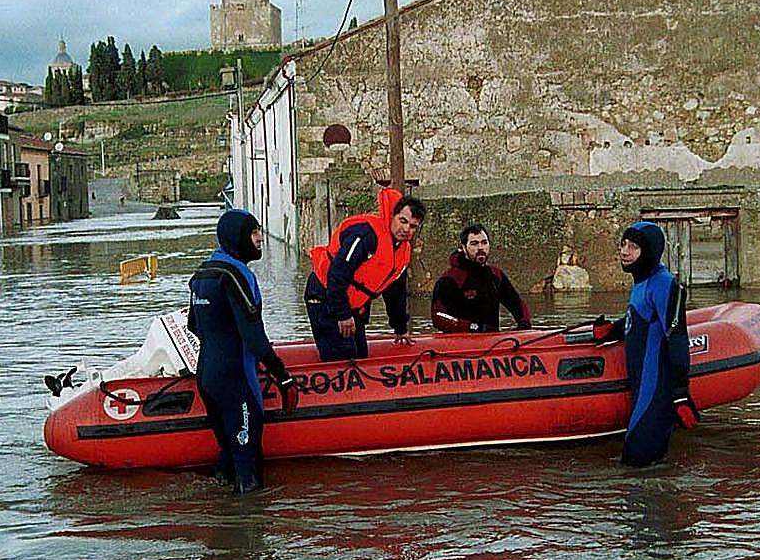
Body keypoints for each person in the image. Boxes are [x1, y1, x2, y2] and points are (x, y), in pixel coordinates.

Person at [188, 209, 298, 494]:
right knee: (248, 464)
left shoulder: (202, 273)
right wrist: (282, 376)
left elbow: (194, 326)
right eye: (254, 233)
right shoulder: (237, 276)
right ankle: (249, 530)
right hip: (235, 378)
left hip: (208, 376)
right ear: (238, 238)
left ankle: (224, 528)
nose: (260, 238)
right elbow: (253, 337)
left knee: (228, 455)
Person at [592, 221, 696, 467]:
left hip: (656, 393)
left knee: (635, 467)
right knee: (648, 469)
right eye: (623, 244)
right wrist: (612, 331)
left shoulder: (664, 284)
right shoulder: (641, 284)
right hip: (643, 390)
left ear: (649, 251)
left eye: (634, 247)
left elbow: (678, 337)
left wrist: (680, 395)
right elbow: (643, 321)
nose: (625, 251)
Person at [304, 187, 425, 361]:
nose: (406, 229)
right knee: (344, 357)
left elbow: (396, 293)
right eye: (403, 221)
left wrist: (400, 328)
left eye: (413, 226)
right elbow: (337, 272)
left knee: (361, 354)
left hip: (353, 305)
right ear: (393, 216)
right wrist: (342, 314)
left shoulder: (402, 253)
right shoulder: (365, 235)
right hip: (325, 295)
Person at [431, 223, 532, 333]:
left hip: (494, 341)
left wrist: (524, 323)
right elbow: (438, 317)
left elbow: (517, 304)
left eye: (484, 243)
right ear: (464, 248)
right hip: (460, 342)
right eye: (474, 244)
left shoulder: (495, 275)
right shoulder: (450, 279)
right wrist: (472, 327)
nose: (480, 248)